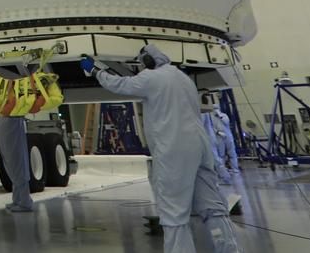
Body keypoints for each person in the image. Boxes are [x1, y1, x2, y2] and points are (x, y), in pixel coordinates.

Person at [83, 46, 240, 253]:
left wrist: (95, 71)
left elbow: (119, 84)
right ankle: (228, 248)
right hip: (200, 145)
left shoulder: (151, 78)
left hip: (174, 148)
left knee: (174, 211)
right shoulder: (183, 78)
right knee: (212, 206)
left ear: (147, 61)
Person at [0, 114, 35, 212]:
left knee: (17, 166)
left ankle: (25, 202)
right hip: (6, 124)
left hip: (11, 126)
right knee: (12, 167)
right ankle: (17, 200)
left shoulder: (14, 116)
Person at [202, 107, 232, 185]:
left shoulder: (203, 113)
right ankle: (223, 177)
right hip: (211, 137)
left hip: (208, 138)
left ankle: (225, 178)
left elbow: (201, 124)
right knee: (216, 159)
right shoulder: (206, 112)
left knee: (215, 159)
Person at [214, 107, 241, 175]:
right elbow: (211, 127)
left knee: (232, 153)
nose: (215, 110)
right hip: (219, 137)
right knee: (221, 154)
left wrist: (220, 115)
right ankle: (222, 170)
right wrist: (218, 132)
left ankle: (235, 169)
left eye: (216, 108)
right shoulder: (211, 118)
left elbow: (226, 122)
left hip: (228, 136)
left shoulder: (224, 115)